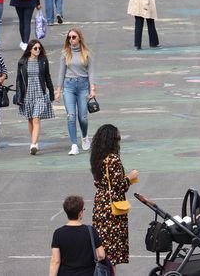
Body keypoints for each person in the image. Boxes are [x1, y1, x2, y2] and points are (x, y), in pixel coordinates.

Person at [90, 124, 138, 270]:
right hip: (112, 207)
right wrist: (130, 177)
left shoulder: (97, 158)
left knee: (102, 247)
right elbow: (119, 186)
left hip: (100, 202)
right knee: (112, 251)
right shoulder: (113, 160)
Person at [56, 29, 96, 156]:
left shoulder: (87, 53)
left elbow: (91, 72)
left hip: (83, 86)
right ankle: (74, 144)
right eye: (69, 37)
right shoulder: (65, 53)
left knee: (83, 117)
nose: (71, 40)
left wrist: (92, 89)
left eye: (74, 37)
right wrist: (58, 90)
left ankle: (84, 137)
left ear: (79, 38)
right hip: (69, 86)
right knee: (71, 116)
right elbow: (61, 73)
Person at [49, 195, 106, 276]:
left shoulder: (58, 233)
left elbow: (55, 261)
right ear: (80, 213)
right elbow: (101, 255)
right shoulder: (91, 231)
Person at [16, 40, 55, 155]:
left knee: (36, 118)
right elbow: (18, 80)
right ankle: (35, 140)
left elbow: (47, 77)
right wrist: (19, 96)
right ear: (30, 49)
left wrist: (51, 92)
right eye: (35, 48)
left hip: (39, 93)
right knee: (30, 119)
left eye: (39, 48)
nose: (38, 50)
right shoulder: (22, 62)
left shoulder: (43, 61)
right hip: (27, 94)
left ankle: (33, 144)